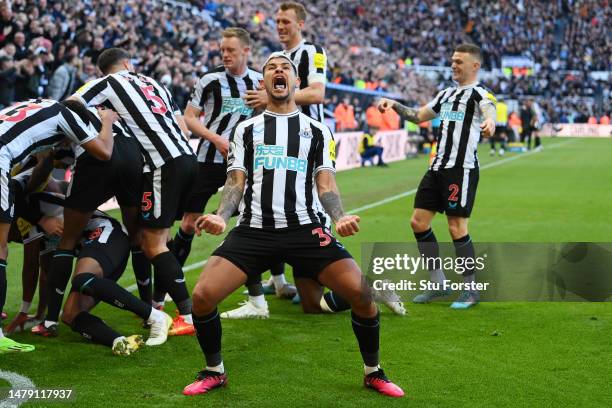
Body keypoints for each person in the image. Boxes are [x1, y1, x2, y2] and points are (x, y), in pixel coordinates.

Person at [182, 52, 404, 398]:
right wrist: (221, 216)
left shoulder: (316, 131)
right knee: (203, 296)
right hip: (254, 230)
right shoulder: (246, 129)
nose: (279, 71)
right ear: (264, 82)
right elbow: (235, 182)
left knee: (361, 296)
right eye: (272, 67)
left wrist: (339, 217)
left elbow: (326, 183)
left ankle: (374, 372)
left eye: (286, 67)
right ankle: (214, 371)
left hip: (305, 229)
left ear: (296, 82)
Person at [70, 48, 197, 335]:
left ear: (106, 70)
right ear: (129, 62)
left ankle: (188, 316)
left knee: (151, 244)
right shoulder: (154, 83)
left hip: (162, 164)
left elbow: (72, 102)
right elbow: (181, 125)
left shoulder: (108, 83)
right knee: (158, 239)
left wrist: (101, 119)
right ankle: (158, 304)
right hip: (188, 158)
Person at [378, 43, 496, 309]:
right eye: (452, 60)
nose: (453, 65)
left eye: (459, 61)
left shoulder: (480, 94)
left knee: (457, 227)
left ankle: (471, 289)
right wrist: (394, 104)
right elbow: (418, 116)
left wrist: (490, 122)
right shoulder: (445, 95)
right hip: (436, 169)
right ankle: (438, 282)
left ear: (474, 65)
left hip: (461, 169)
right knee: (418, 223)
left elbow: (490, 111)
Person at [0, 97, 116, 353]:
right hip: (7, 168)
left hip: (18, 174)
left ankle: (41, 317)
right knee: (4, 251)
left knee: (40, 255)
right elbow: (104, 152)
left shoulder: (38, 108)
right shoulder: (67, 119)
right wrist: (107, 122)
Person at [33, 104, 149, 337]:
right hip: (132, 156)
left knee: (67, 241)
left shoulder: (68, 123)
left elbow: (101, 153)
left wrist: (45, 159)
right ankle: (150, 308)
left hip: (98, 158)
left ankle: (50, 321)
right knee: (139, 238)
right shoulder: (114, 117)